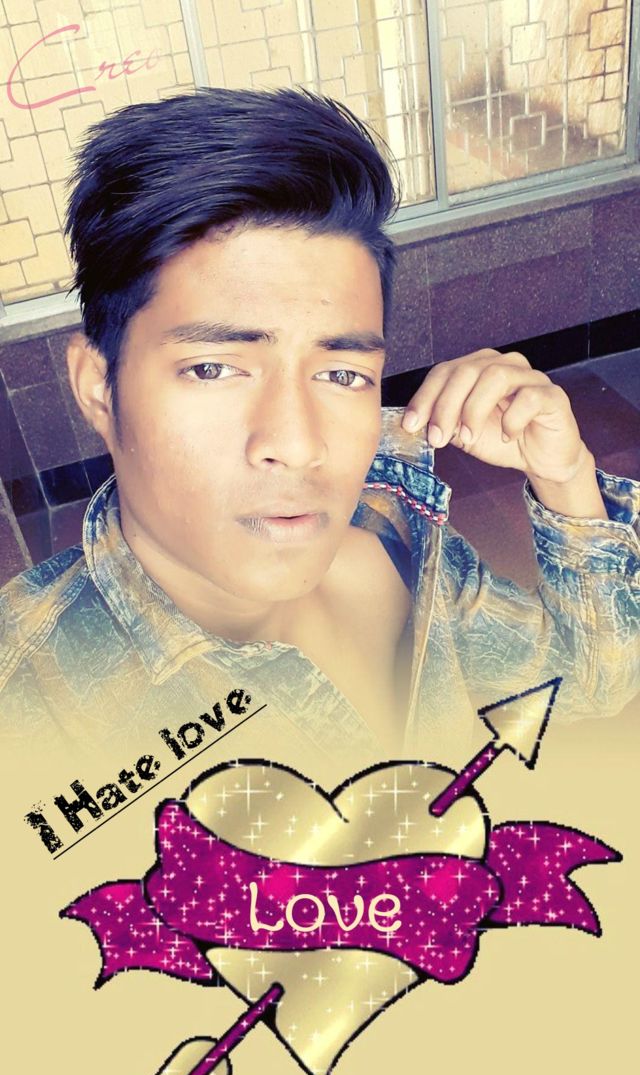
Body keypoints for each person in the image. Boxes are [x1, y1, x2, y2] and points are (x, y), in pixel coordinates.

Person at [1, 87, 638, 788]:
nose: (298, 444)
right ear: (99, 387)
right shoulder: (29, 704)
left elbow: (591, 681)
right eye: (213, 368)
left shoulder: (400, 536)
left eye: (340, 373)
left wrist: (566, 476)